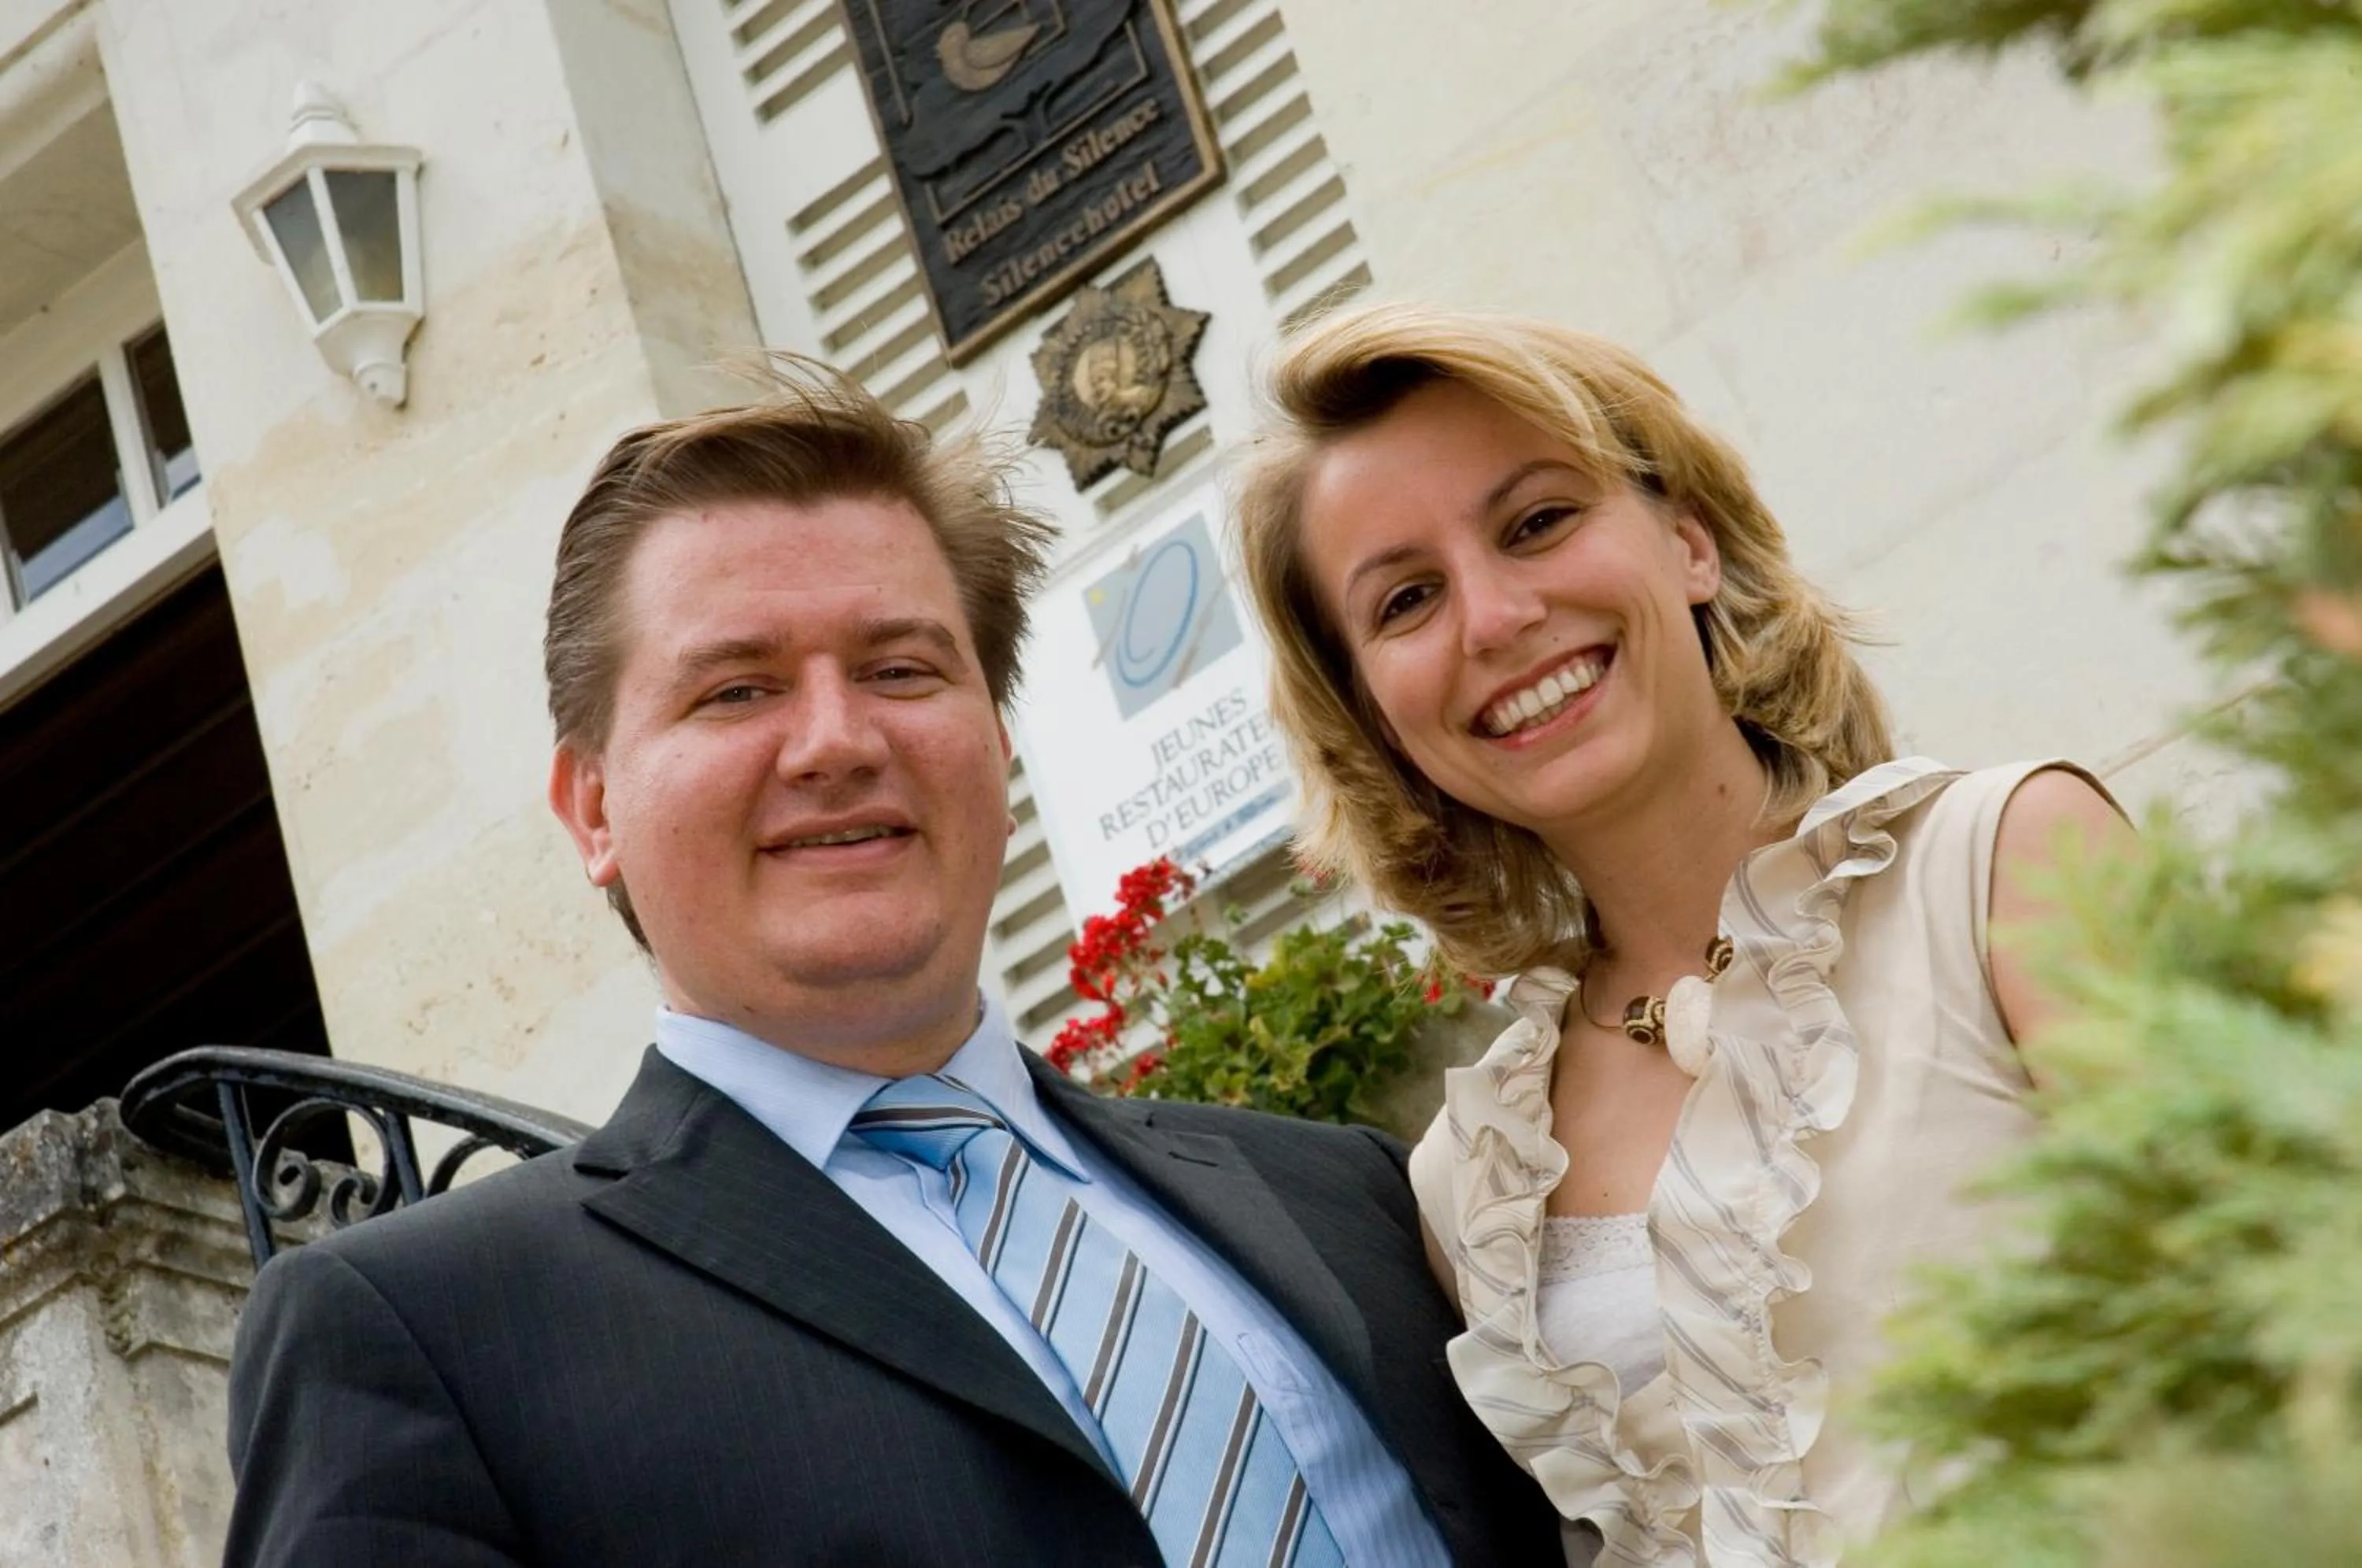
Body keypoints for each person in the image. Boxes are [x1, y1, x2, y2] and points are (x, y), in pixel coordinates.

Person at [221, 362, 1563, 1567]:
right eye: (736, 690)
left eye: (902, 669)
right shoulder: (425, 1339)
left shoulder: (1341, 1195)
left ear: (996, 736)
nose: (835, 742)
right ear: (592, 810)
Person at [1232, 304, 2130, 1566]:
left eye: (1538, 522)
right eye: (1408, 599)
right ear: (1375, 714)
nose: (1493, 620)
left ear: (1689, 542)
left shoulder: (2004, 865)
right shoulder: (1471, 1185)